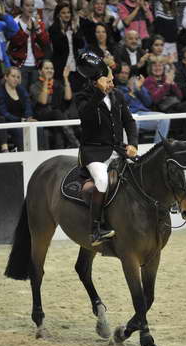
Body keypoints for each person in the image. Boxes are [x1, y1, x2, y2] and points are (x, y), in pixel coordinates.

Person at [74, 51, 138, 246]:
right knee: (102, 180)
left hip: (117, 148)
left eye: (111, 80)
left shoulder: (117, 96)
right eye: (108, 81)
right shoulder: (83, 97)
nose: (112, 84)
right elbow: (86, 116)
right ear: (97, 82)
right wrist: (99, 93)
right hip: (94, 152)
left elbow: (129, 121)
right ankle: (95, 229)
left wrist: (133, 144)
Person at [143, 56, 186, 140]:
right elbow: (155, 99)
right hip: (162, 110)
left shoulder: (166, 78)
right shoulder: (148, 81)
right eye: (155, 66)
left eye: (160, 66)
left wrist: (173, 84)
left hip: (175, 106)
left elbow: (180, 96)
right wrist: (166, 84)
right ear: (150, 68)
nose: (158, 68)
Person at [115, 62, 170, 143]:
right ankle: (132, 151)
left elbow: (148, 102)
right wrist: (132, 91)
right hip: (128, 116)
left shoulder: (136, 86)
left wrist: (140, 88)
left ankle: (158, 148)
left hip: (142, 114)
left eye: (126, 73)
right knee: (133, 123)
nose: (124, 75)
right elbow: (119, 103)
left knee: (165, 118)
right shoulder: (114, 88)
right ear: (117, 74)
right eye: (122, 73)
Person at [29, 60, 79, 149]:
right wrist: (46, 81)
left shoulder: (57, 83)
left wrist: (66, 78)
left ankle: (62, 148)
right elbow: (43, 101)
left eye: (51, 68)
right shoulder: (34, 85)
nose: (50, 70)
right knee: (57, 113)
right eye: (46, 68)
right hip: (42, 116)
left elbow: (68, 97)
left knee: (58, 123)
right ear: (40, 71)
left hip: (57, 117)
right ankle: (74, 141)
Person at [8, 0, 50, 90]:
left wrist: (38, 28)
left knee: (34, 95)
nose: (30, 8)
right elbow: (16, 42)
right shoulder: (14, 22)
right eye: (27, 5)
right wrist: (27, 30)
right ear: (21, 7)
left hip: (35, 65)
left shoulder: (37, 22)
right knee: (21, 94)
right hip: (20, 65)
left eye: (32, 5)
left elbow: (45, 42)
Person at [0, 66, 37, 151]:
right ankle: (24, 157)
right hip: (8, 122)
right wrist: (21, 120)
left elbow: (27, 104)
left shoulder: (21, 89)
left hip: (23, 121)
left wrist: (28, 117)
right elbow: (3, 112)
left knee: (38, 128)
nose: (16, 79)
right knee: (19, 130)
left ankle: (40, 155)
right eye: (13, 76)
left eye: (18, 77)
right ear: (6, 77)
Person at [48, 2, 85, 91]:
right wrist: (63, 33)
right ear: (58, 15)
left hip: (74, 69)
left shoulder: (74, 27)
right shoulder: (54, 29)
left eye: (68, 12)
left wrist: (75, 30)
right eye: (63, 13)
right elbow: (60, 48)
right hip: (60, 69)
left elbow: (81, 45)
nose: (67, 15)